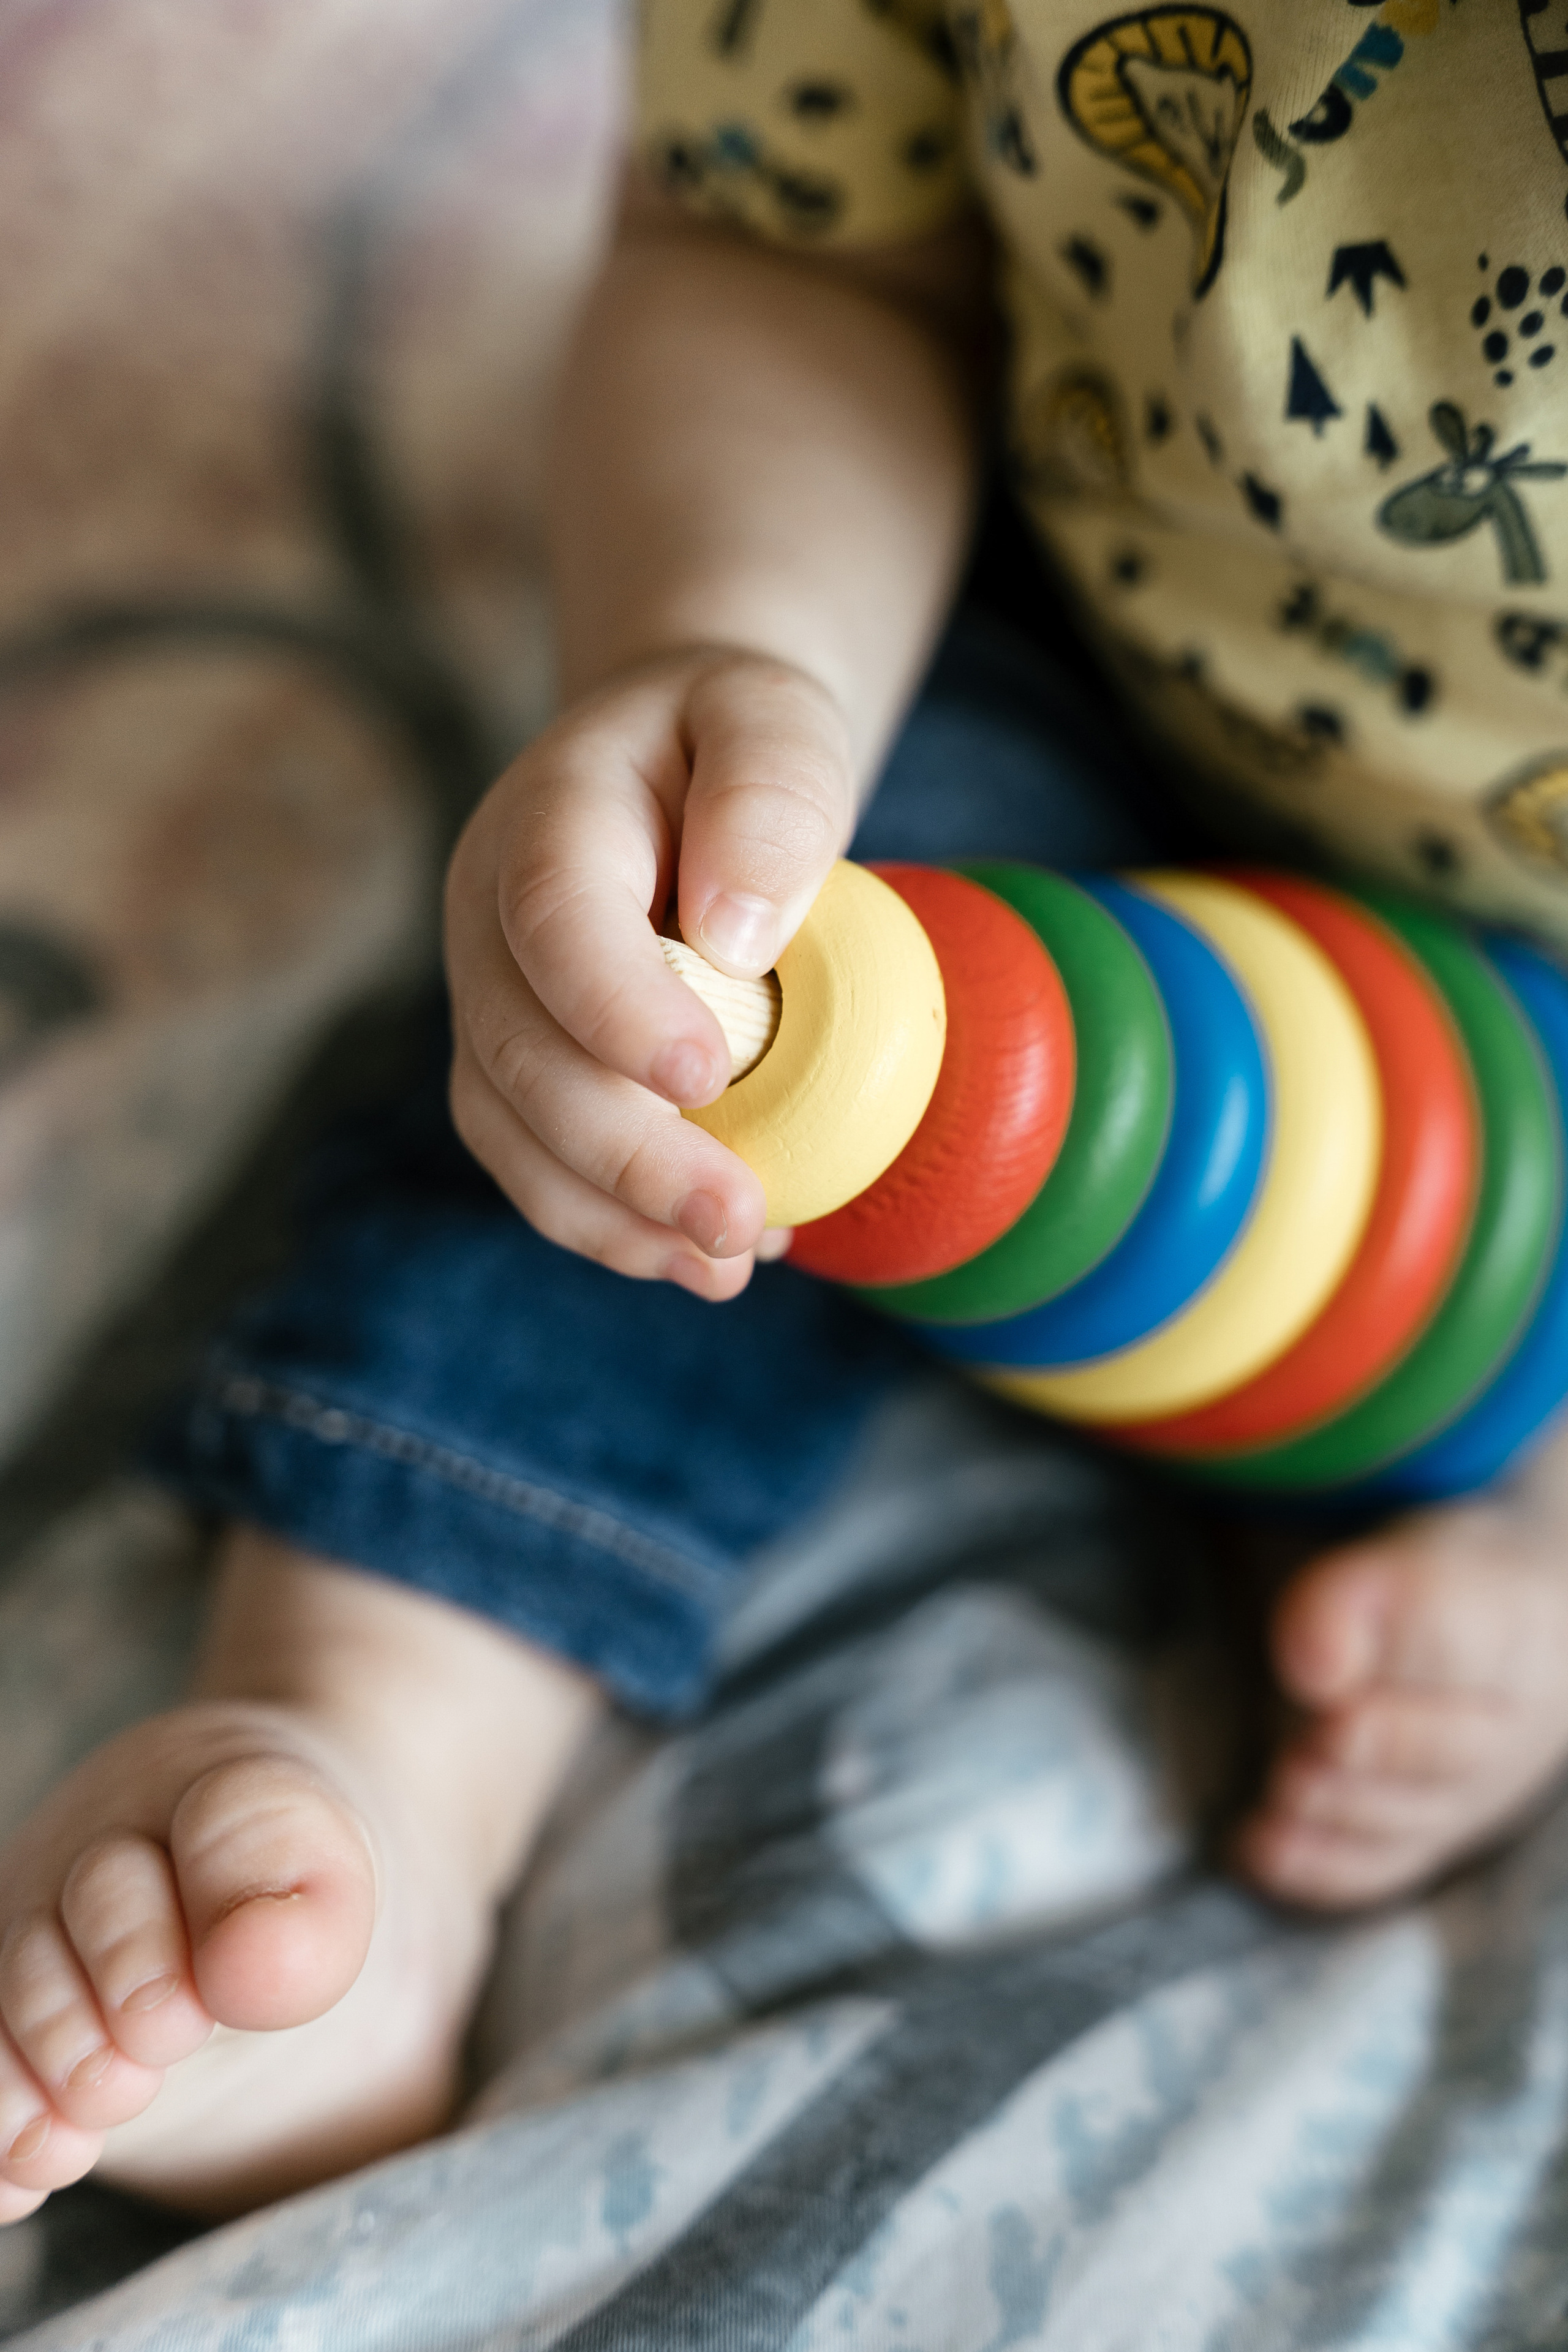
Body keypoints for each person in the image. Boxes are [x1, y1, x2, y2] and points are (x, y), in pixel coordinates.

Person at [5, 0, 1568, 2228]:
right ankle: (370, 1774)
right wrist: (723, 657)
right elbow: (795, 244)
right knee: (650, 1034)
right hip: (1043, 601)